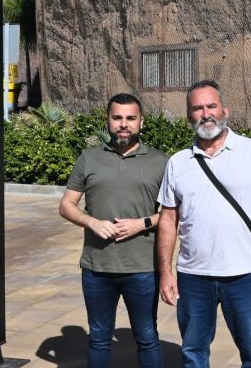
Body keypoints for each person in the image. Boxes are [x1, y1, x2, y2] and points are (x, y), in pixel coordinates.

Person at [156, 80, 251, 368]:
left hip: (246, 275)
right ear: (189, 116)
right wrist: (165, 273)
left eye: (211, 105)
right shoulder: (178, 162)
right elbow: (168, 219)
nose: (206, 114)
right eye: (197, 108)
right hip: (193, 277)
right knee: (193, 354)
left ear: (224, 109)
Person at [59, 93, 168, 368]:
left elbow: (171, 214)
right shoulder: (89, 159)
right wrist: (92, 222)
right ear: (108, 121)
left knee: (146, 337)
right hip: (97, 268)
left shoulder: (160, 161)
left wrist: (140, 223)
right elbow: (67, 205)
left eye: (130, 118)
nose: (123, 124)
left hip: (142, 268)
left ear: (141, 122)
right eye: (117, 117)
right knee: (98, 338)